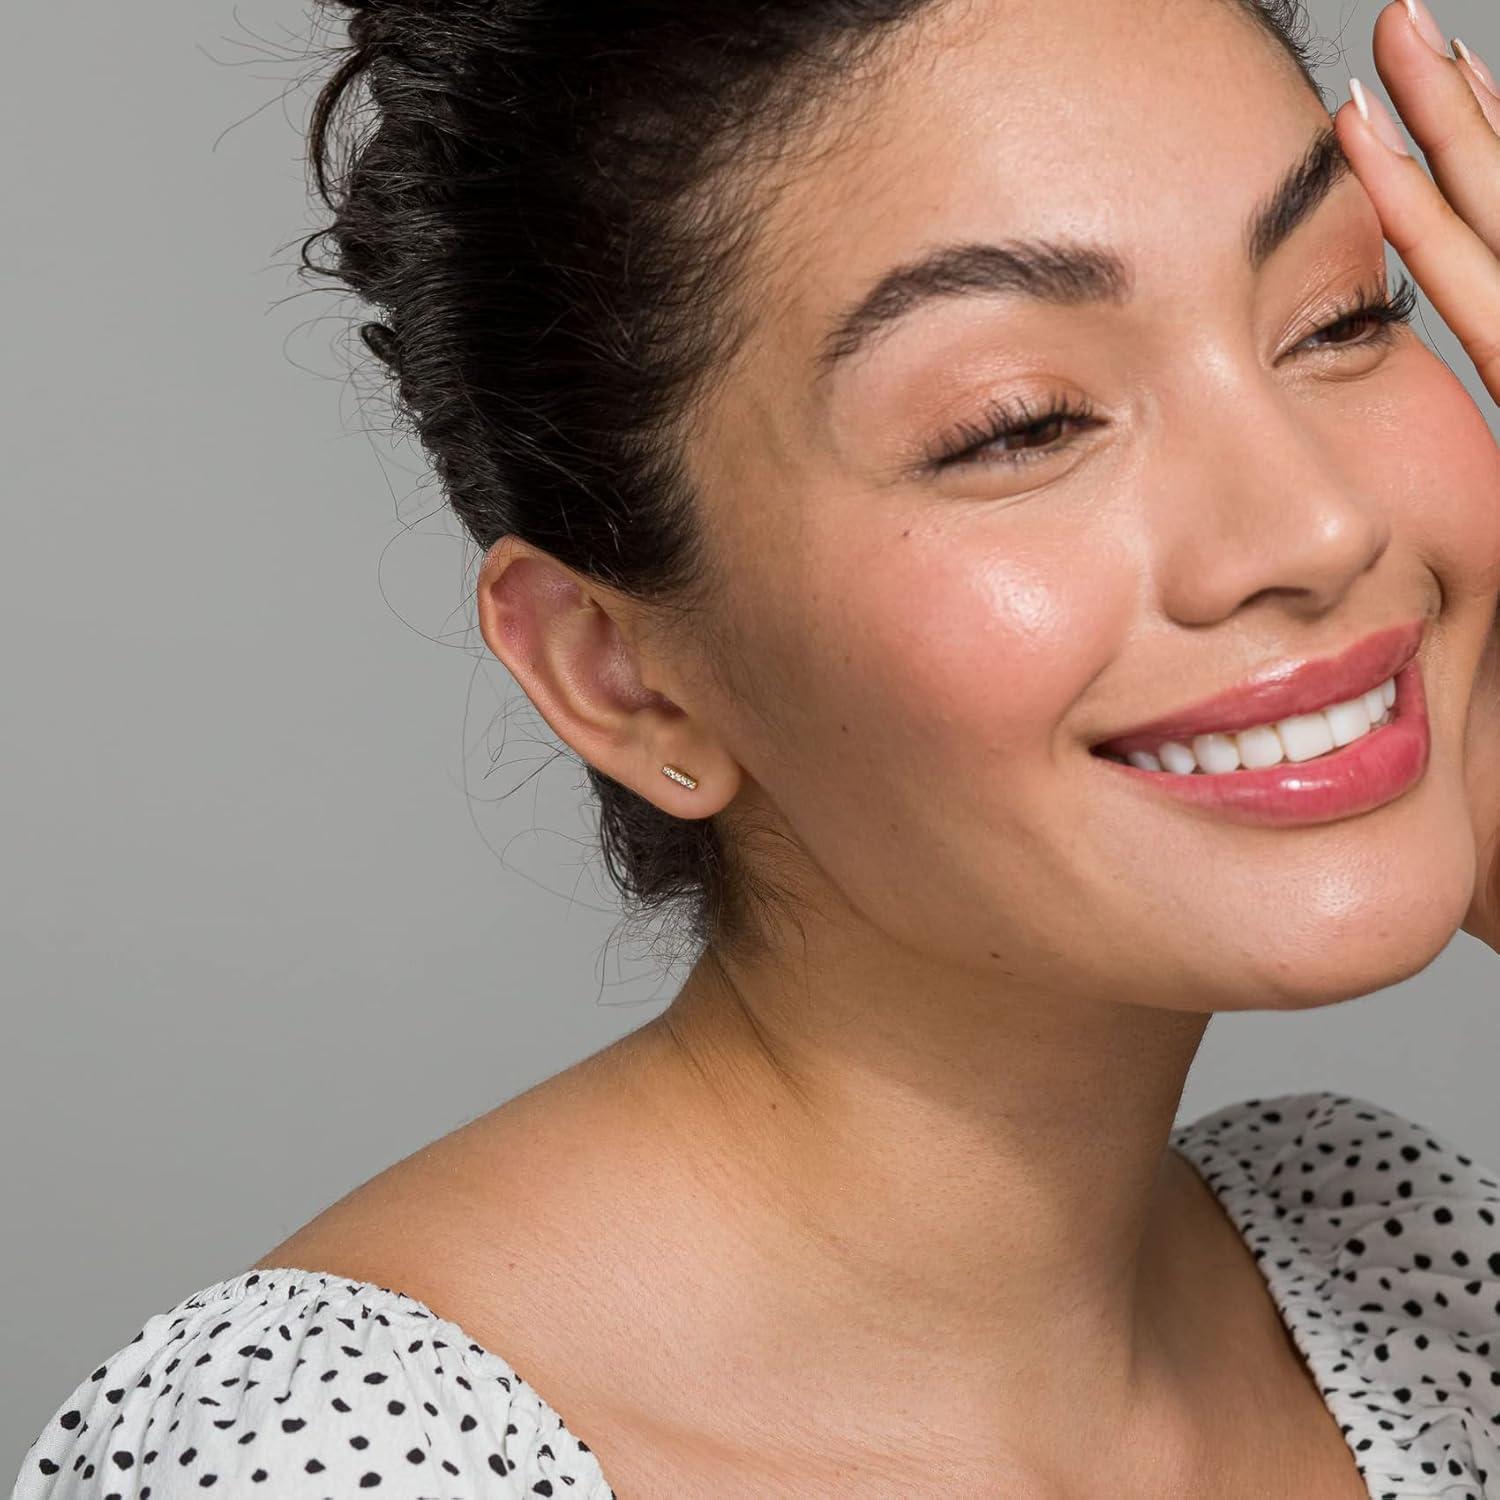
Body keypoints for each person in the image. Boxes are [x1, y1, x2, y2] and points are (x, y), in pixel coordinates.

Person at [15, 0, 1500, 1495]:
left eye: (1343, 317)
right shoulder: (341, 1460)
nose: (1318, 526)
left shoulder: (1390, 1268)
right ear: (622, 677)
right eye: (1022, 423)